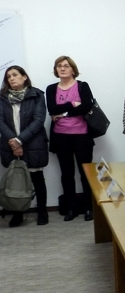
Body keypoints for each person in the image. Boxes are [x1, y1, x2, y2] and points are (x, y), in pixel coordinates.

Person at [46, 56, 95, 221]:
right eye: (59, 66)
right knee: (66, 174)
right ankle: (71, 208)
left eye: (66, 66)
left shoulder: (82, 86)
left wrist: (64, 113)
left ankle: (89, 208)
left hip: (82, 136)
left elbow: (87, 106)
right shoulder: (51, 89)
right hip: (61, 137)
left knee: (85, 173)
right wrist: (73, 104)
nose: (62, 68)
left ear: (73, 69)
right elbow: (52, 109)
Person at [0, 66, 49, 226]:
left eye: (15, 75)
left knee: (37, 178)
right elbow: (1, 121)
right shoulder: (2, 97)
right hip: (10, 144)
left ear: (24, 77)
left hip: (33, 143)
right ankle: (18, 213)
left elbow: (38, 120)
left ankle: (42, 211)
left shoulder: (37, 95)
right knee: (17, 180)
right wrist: (14, 142)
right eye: (8, 77)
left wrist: (20, 140)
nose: (11, 78)